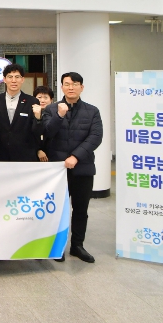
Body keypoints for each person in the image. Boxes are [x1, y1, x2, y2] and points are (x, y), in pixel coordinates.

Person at [42, 72, 103, 263]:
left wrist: (76, 156)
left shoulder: (92, 111)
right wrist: (59, 116)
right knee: (56, 210)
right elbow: (47, 132)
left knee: (80, 209)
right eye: (67, 84)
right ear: (61, 87)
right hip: (57, 170)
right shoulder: (51, 109)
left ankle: (77, 245)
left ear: (81, 87)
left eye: (75, 84)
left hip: (82, 167)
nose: (71, 87)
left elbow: (95, 137)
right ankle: (56, 247)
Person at [0, 64, 43, 161]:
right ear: (4, 79)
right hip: (0, 154)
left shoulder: (32, 101)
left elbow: (37, 132)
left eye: (17, 77)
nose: (14, 80)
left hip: (25, 155)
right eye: (10, 77)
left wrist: (38, 118)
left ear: (22, 79)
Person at [33, 85, 55, 162]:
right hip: (33, 154)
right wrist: (37, 150)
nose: (42, 100)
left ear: (51, 100)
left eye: (46, 98)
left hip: (52, 153)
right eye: (39, 97)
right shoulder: (29, 114)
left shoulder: (56, 115)